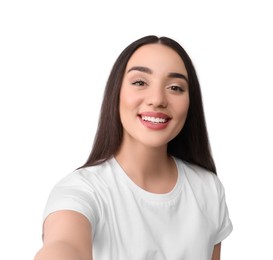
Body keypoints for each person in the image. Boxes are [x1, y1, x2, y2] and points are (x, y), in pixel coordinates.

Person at [35, 35, 233, 260]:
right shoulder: (82, 190)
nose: (157, 99)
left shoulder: (208, 188)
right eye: (140, 82)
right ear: (116, 92)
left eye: (176, 87)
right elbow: (64, 244)